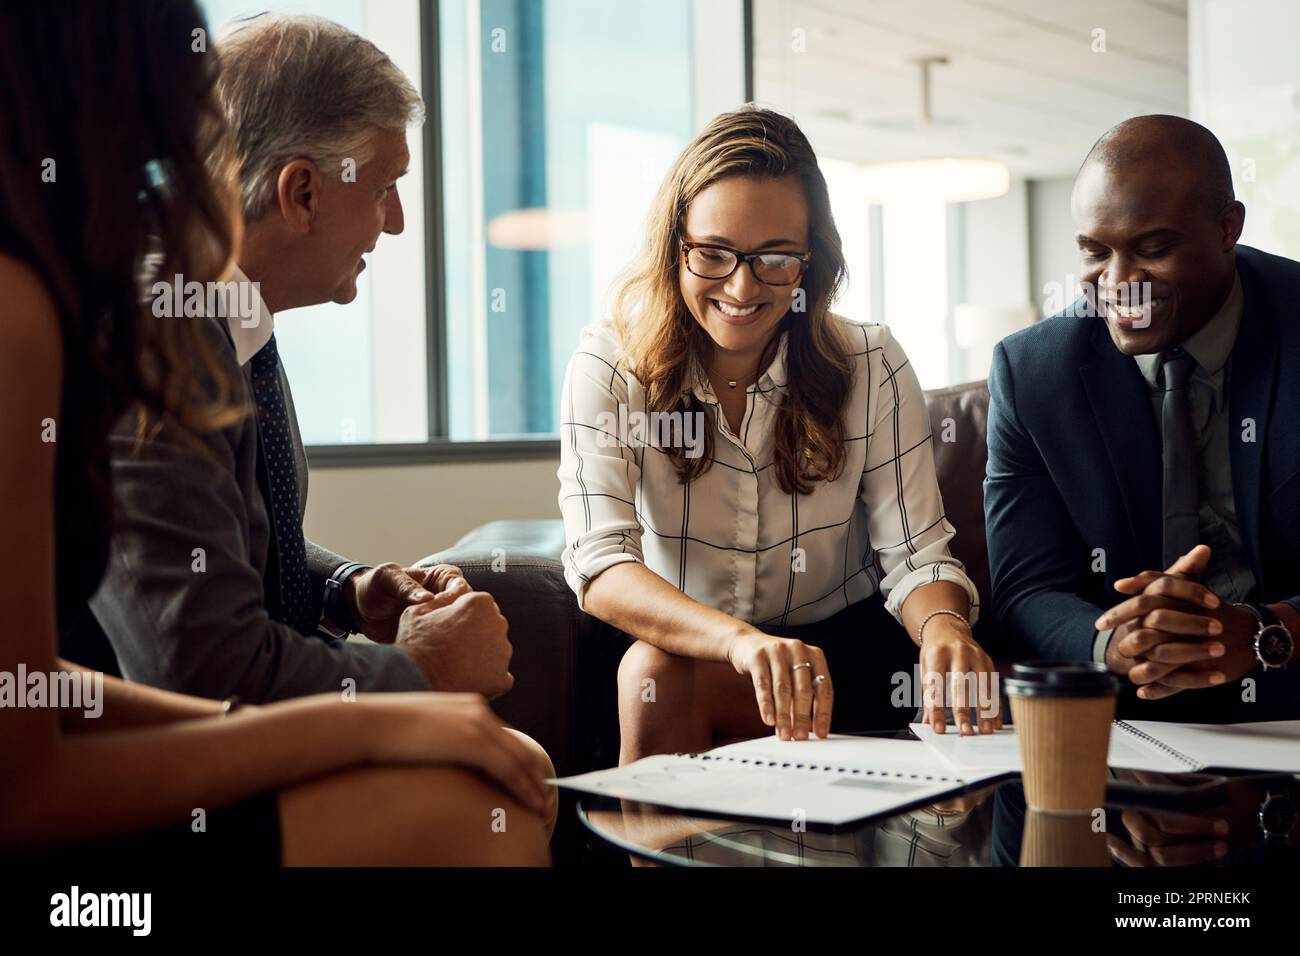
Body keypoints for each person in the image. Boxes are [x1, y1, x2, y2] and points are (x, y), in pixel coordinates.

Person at [0, 0, 549, 865]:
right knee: (494, 808)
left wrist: (351, 589)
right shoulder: (158, 327)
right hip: (138, 781)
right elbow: (204, 668)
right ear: (300, 191)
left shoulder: (224, 318)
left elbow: (223, 529)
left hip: (137, 738)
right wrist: (411, 684)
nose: (398, 221)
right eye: (385, 188)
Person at [558, 106, 1001, 764]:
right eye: (712, 254)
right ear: (674, 246)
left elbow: (916, 556)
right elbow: (601, 567)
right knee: (656, 672)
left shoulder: (870, 362)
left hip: (842, 651)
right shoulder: (609, 363)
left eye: (774, 258)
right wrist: (737, 641)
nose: (741, 286)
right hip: (682, 648)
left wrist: (943, 627)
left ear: (810, 262)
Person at [984, 114, 1300, 722]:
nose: (1121, 284)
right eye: (1095, 252)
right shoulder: (1033, 374)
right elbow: (1027, 591)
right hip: (1132, 718)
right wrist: (1115, 643)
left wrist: (1267, 633)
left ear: (1228, 228)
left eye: (1154, 249)